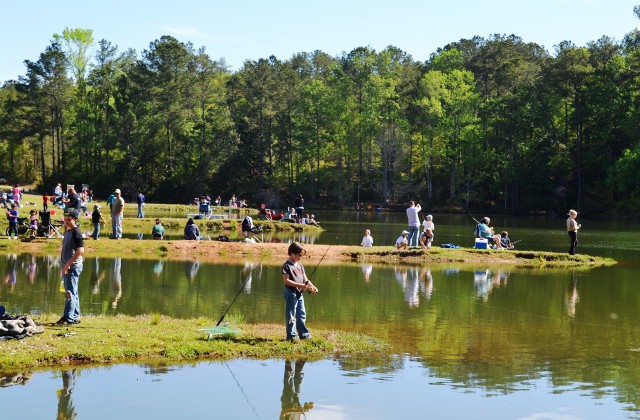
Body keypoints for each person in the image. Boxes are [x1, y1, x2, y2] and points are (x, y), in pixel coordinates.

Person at [282, 242, 318, 341]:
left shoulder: (300, 266)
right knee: (291, 315)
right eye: (299, 255)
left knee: (301, 314)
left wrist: (313, 286)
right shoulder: (286, 266)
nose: (300, 257)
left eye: (301, 256)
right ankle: (291, 336)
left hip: (299, 294)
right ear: (293, 253)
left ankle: (304, 334)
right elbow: (286, 281)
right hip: (290, 293)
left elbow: (305, 279)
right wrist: (301, 286)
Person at [56, 208, 84, 325]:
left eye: (69, 219)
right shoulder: (68, 231)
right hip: (67, 266)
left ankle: (68, 318)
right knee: (73, 292)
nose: (66, 222)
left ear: (75, 219)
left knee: (69, 293)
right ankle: (75, 316)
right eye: (65, 219)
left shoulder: (76, 232)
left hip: (72, 267)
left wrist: (67, 265)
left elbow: (80, 250)